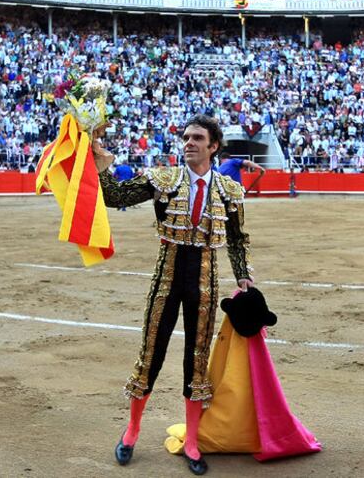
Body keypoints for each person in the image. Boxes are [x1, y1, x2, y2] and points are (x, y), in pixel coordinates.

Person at [93, 114, 254, 476]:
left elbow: (238, 238)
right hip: (167, 273)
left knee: (196, 359)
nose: (189, 143)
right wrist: (103, 167)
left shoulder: (229, 190)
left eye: (197, 138)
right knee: (151, 350)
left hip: (205, 277)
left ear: (213, 146)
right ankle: (132, 430)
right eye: (186, 137)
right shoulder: (164, 178)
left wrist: (243, 276)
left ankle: (193, 442)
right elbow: (113, 196)